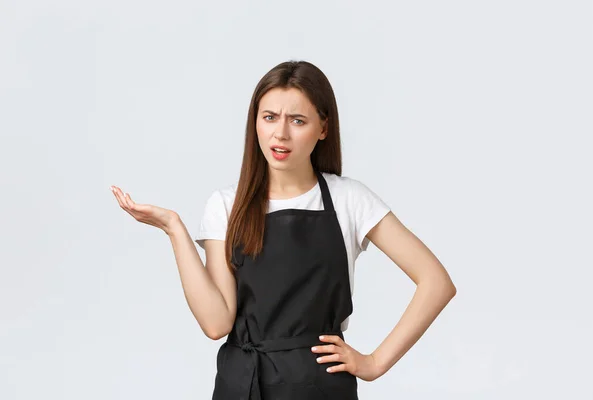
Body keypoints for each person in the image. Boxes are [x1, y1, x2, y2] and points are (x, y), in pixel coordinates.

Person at [110, 60, 457, 399]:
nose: (281, 133)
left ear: (323, 128)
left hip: (319, 387)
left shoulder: (348, 199)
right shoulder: (226, 205)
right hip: (242, 384)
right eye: (270, 117)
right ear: (255, 123)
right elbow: (216, 324)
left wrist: (375, 362)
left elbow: (436, 282)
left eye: (298, 120)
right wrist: (174, 229)